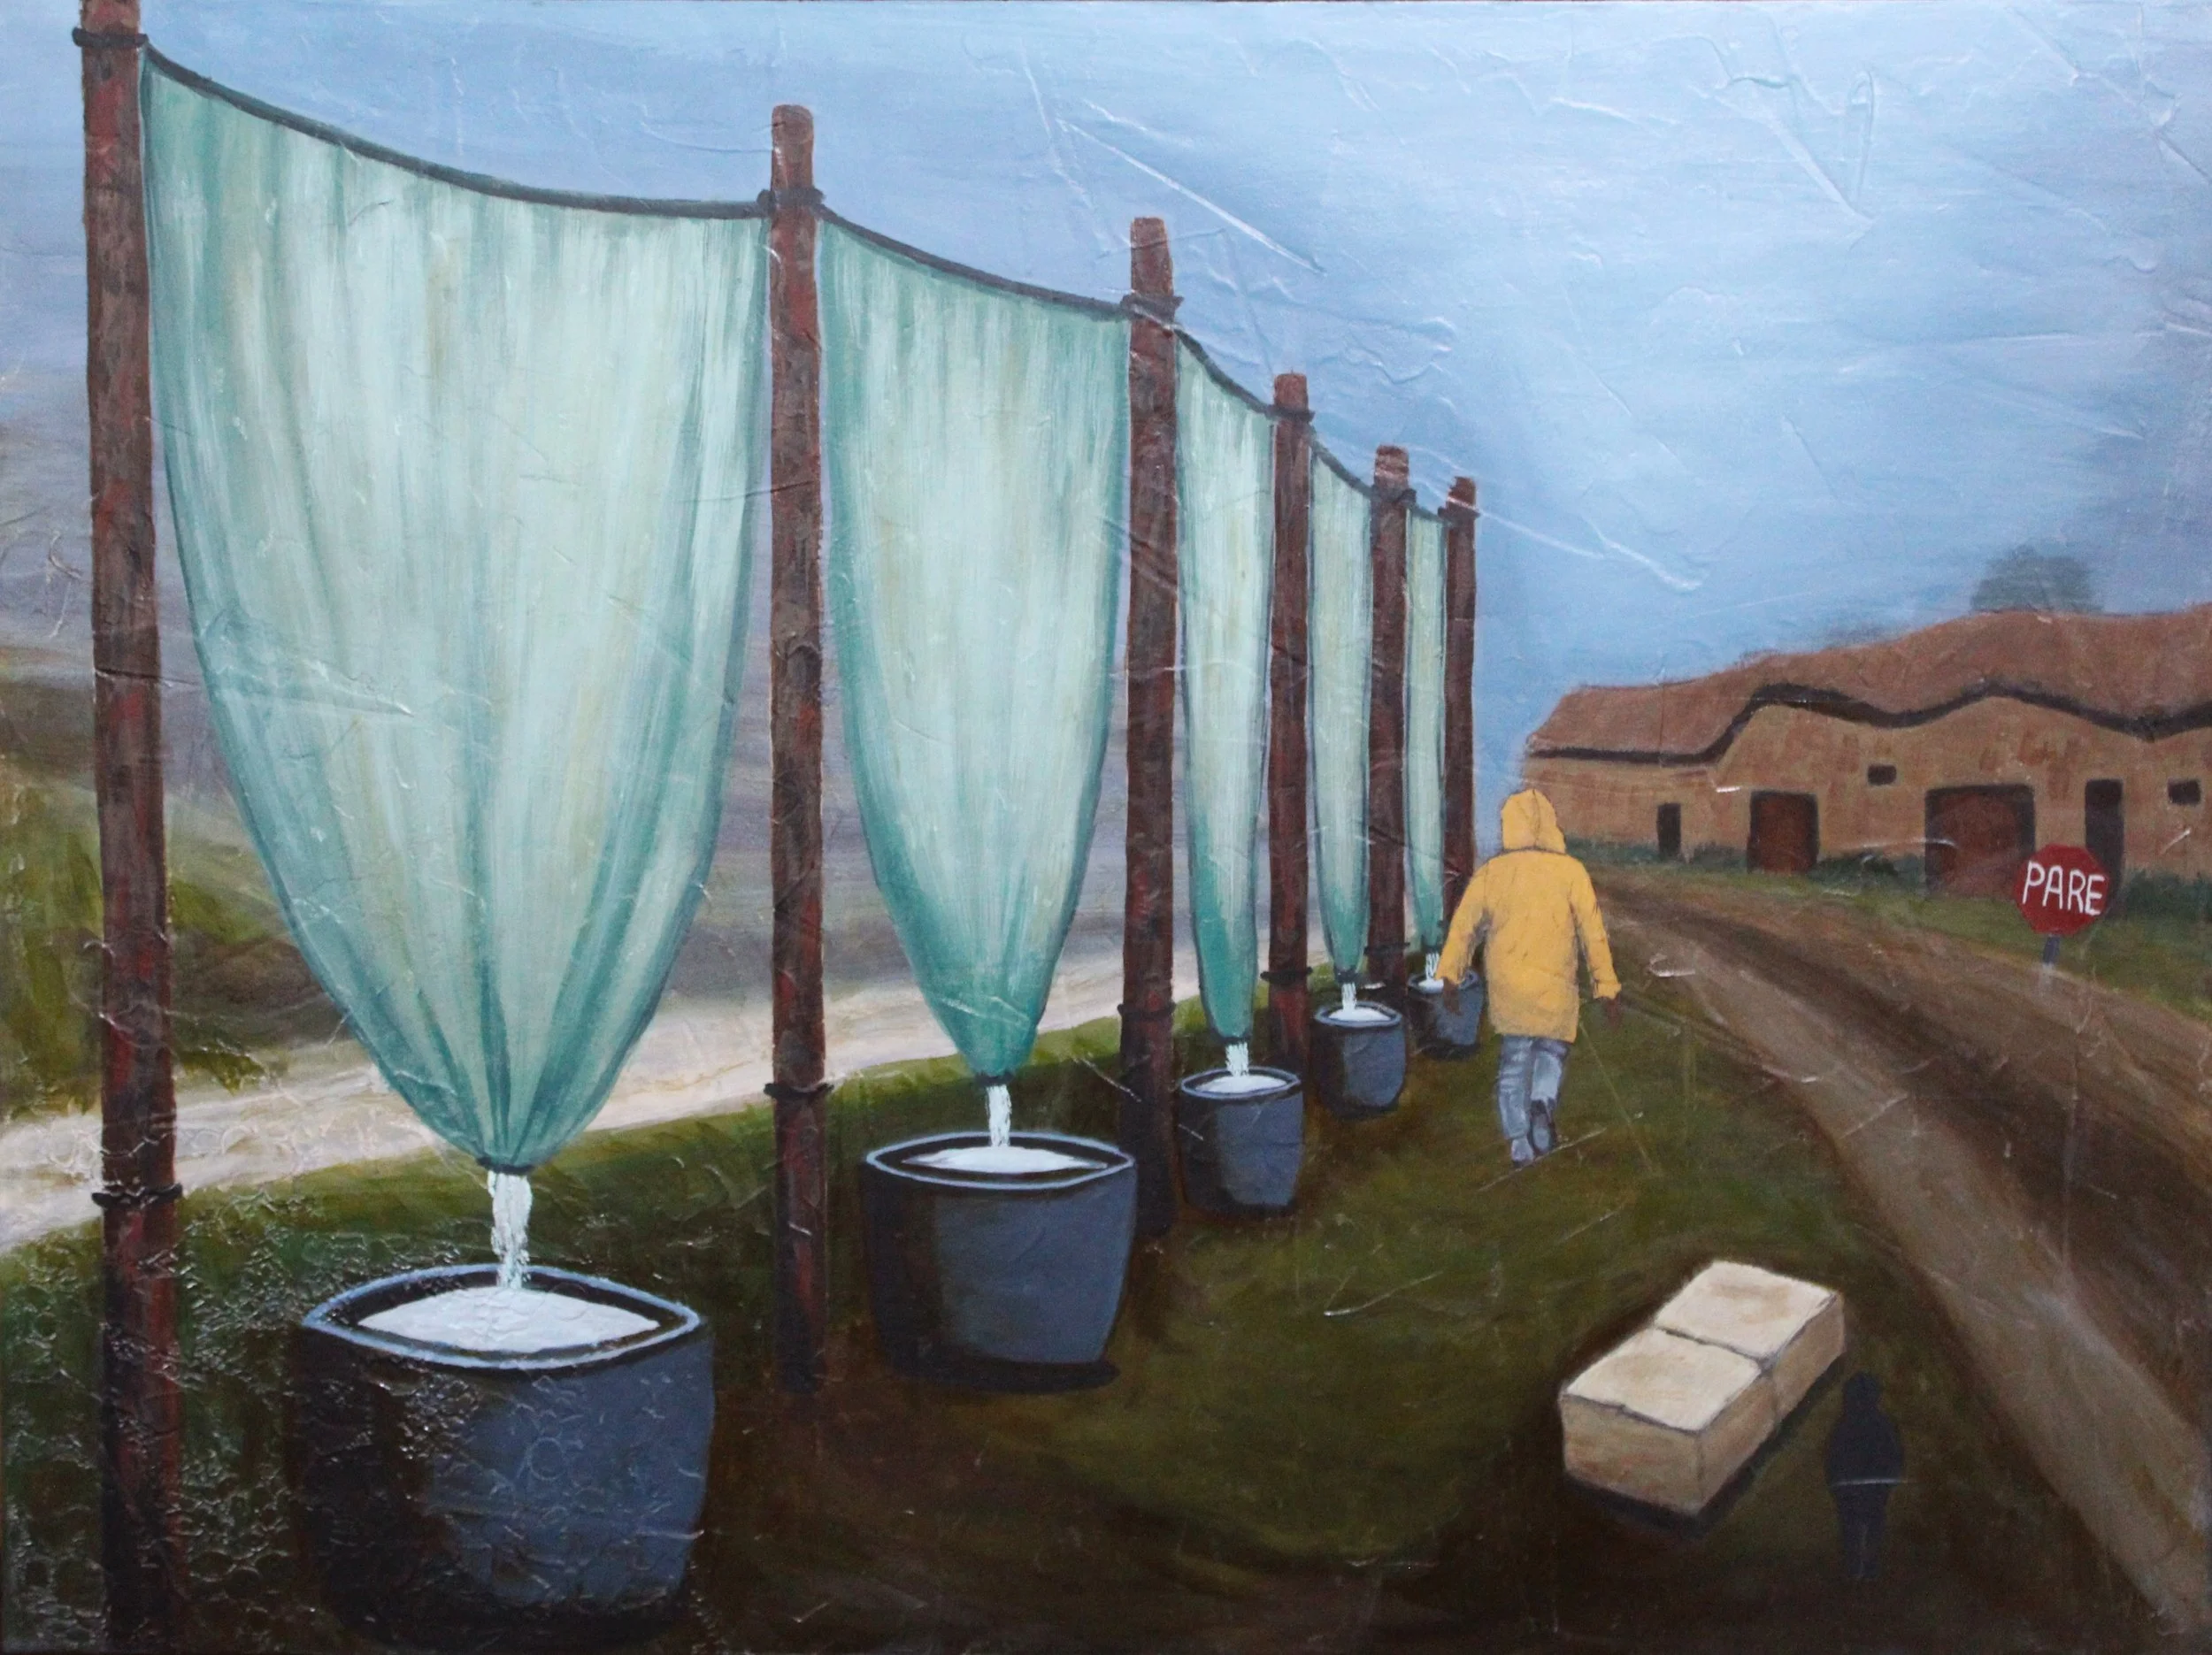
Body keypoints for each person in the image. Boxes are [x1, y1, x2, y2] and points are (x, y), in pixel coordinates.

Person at [1437, 788, 1620, 1164]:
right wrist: (1606, 987)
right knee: (1552, 1051)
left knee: (1514, 1061)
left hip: (1511, 985)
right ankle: (1542, 1101)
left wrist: (1451, 974)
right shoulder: (1572, 872)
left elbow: (1464, 927)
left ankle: (1519, 1139)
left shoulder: (1492, 873)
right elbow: (1593, 934)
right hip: (1556, 984)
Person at [1825, 1372, 1905, 1582]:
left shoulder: (1843, 1425)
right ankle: (1867, 1568)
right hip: (1872, 1484)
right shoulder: (1882, 1423)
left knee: (1852, 1526)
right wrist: (1893, 1477)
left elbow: (1832, 1458)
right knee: (1870, 1524)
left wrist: (1835, 1482)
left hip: (1851, 1485)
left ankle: (1857, 1569)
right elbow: (1895, 1454)